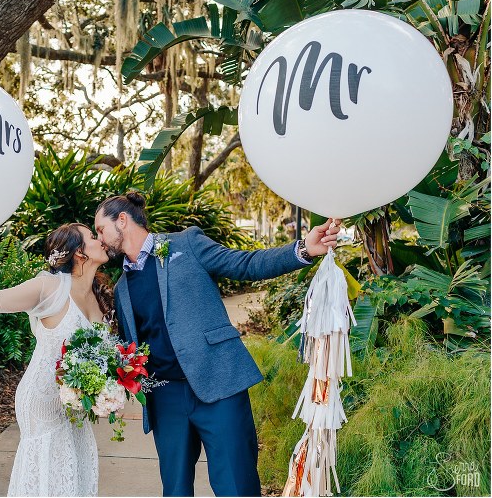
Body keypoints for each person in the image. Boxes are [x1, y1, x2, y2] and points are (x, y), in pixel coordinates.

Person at [94, 192, 341, 497]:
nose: (99, 239)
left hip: (219, 383)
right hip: (165, 397)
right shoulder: (122, 289)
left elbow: (244, 264)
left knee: (236, 486)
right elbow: (128, 348)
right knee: (175, 490)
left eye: (100, 229)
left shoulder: (186, 243)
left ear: (122, 220)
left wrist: (302, 249)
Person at [0, 223, 113, 497]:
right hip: (42, 401)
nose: (101, 240)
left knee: (73, 475)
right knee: (49, 480)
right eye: (92, 237)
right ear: (79, 253)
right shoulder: (49, 287)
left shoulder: (100, 296)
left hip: (75, 407)